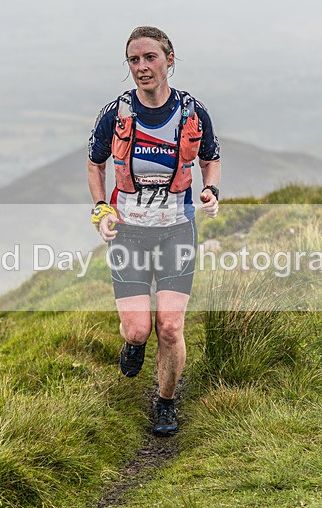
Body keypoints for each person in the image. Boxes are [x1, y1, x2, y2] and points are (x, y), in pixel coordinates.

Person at [87, 26, 221, 436]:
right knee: (139, 328)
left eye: (150, 58)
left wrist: (212, 190)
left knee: (170, 326)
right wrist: (101, 210)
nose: (142, 67)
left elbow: (210, 158)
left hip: (177, 230)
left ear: (170, 59)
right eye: (134, 60)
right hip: (128, 232)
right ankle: (132, 342)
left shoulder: (192, 112)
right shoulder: (117, 113)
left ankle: (166, 403)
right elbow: (95, 164)